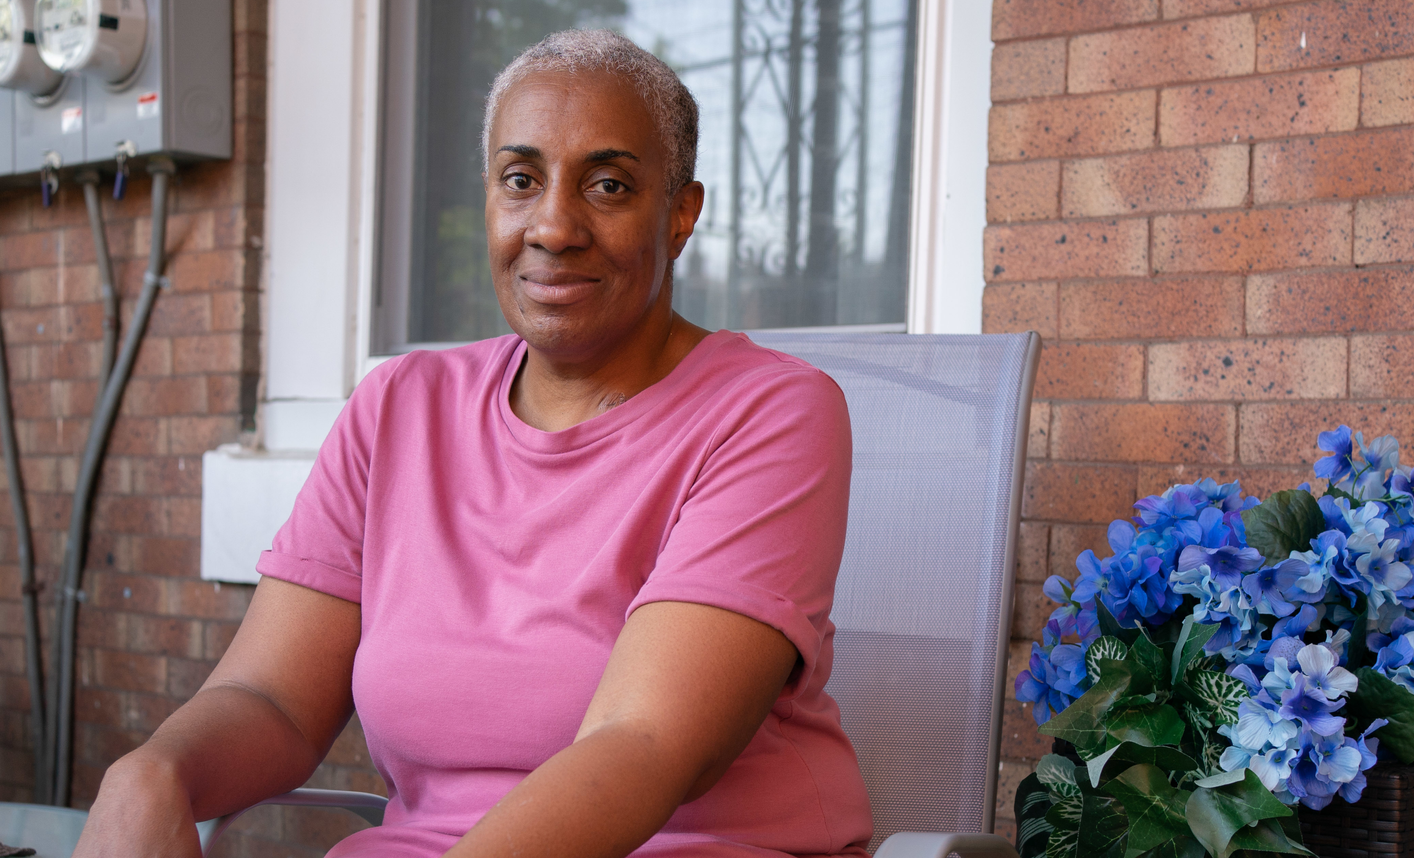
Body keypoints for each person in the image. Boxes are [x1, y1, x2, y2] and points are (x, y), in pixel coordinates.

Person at [73, 29, 874, 858]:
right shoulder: (398, 408)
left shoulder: (771, 413)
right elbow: (271, 696)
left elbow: (647, 744)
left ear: (680, 215)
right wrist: (151, 772)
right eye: (521, 180)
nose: (554, 226)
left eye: (608, 185)